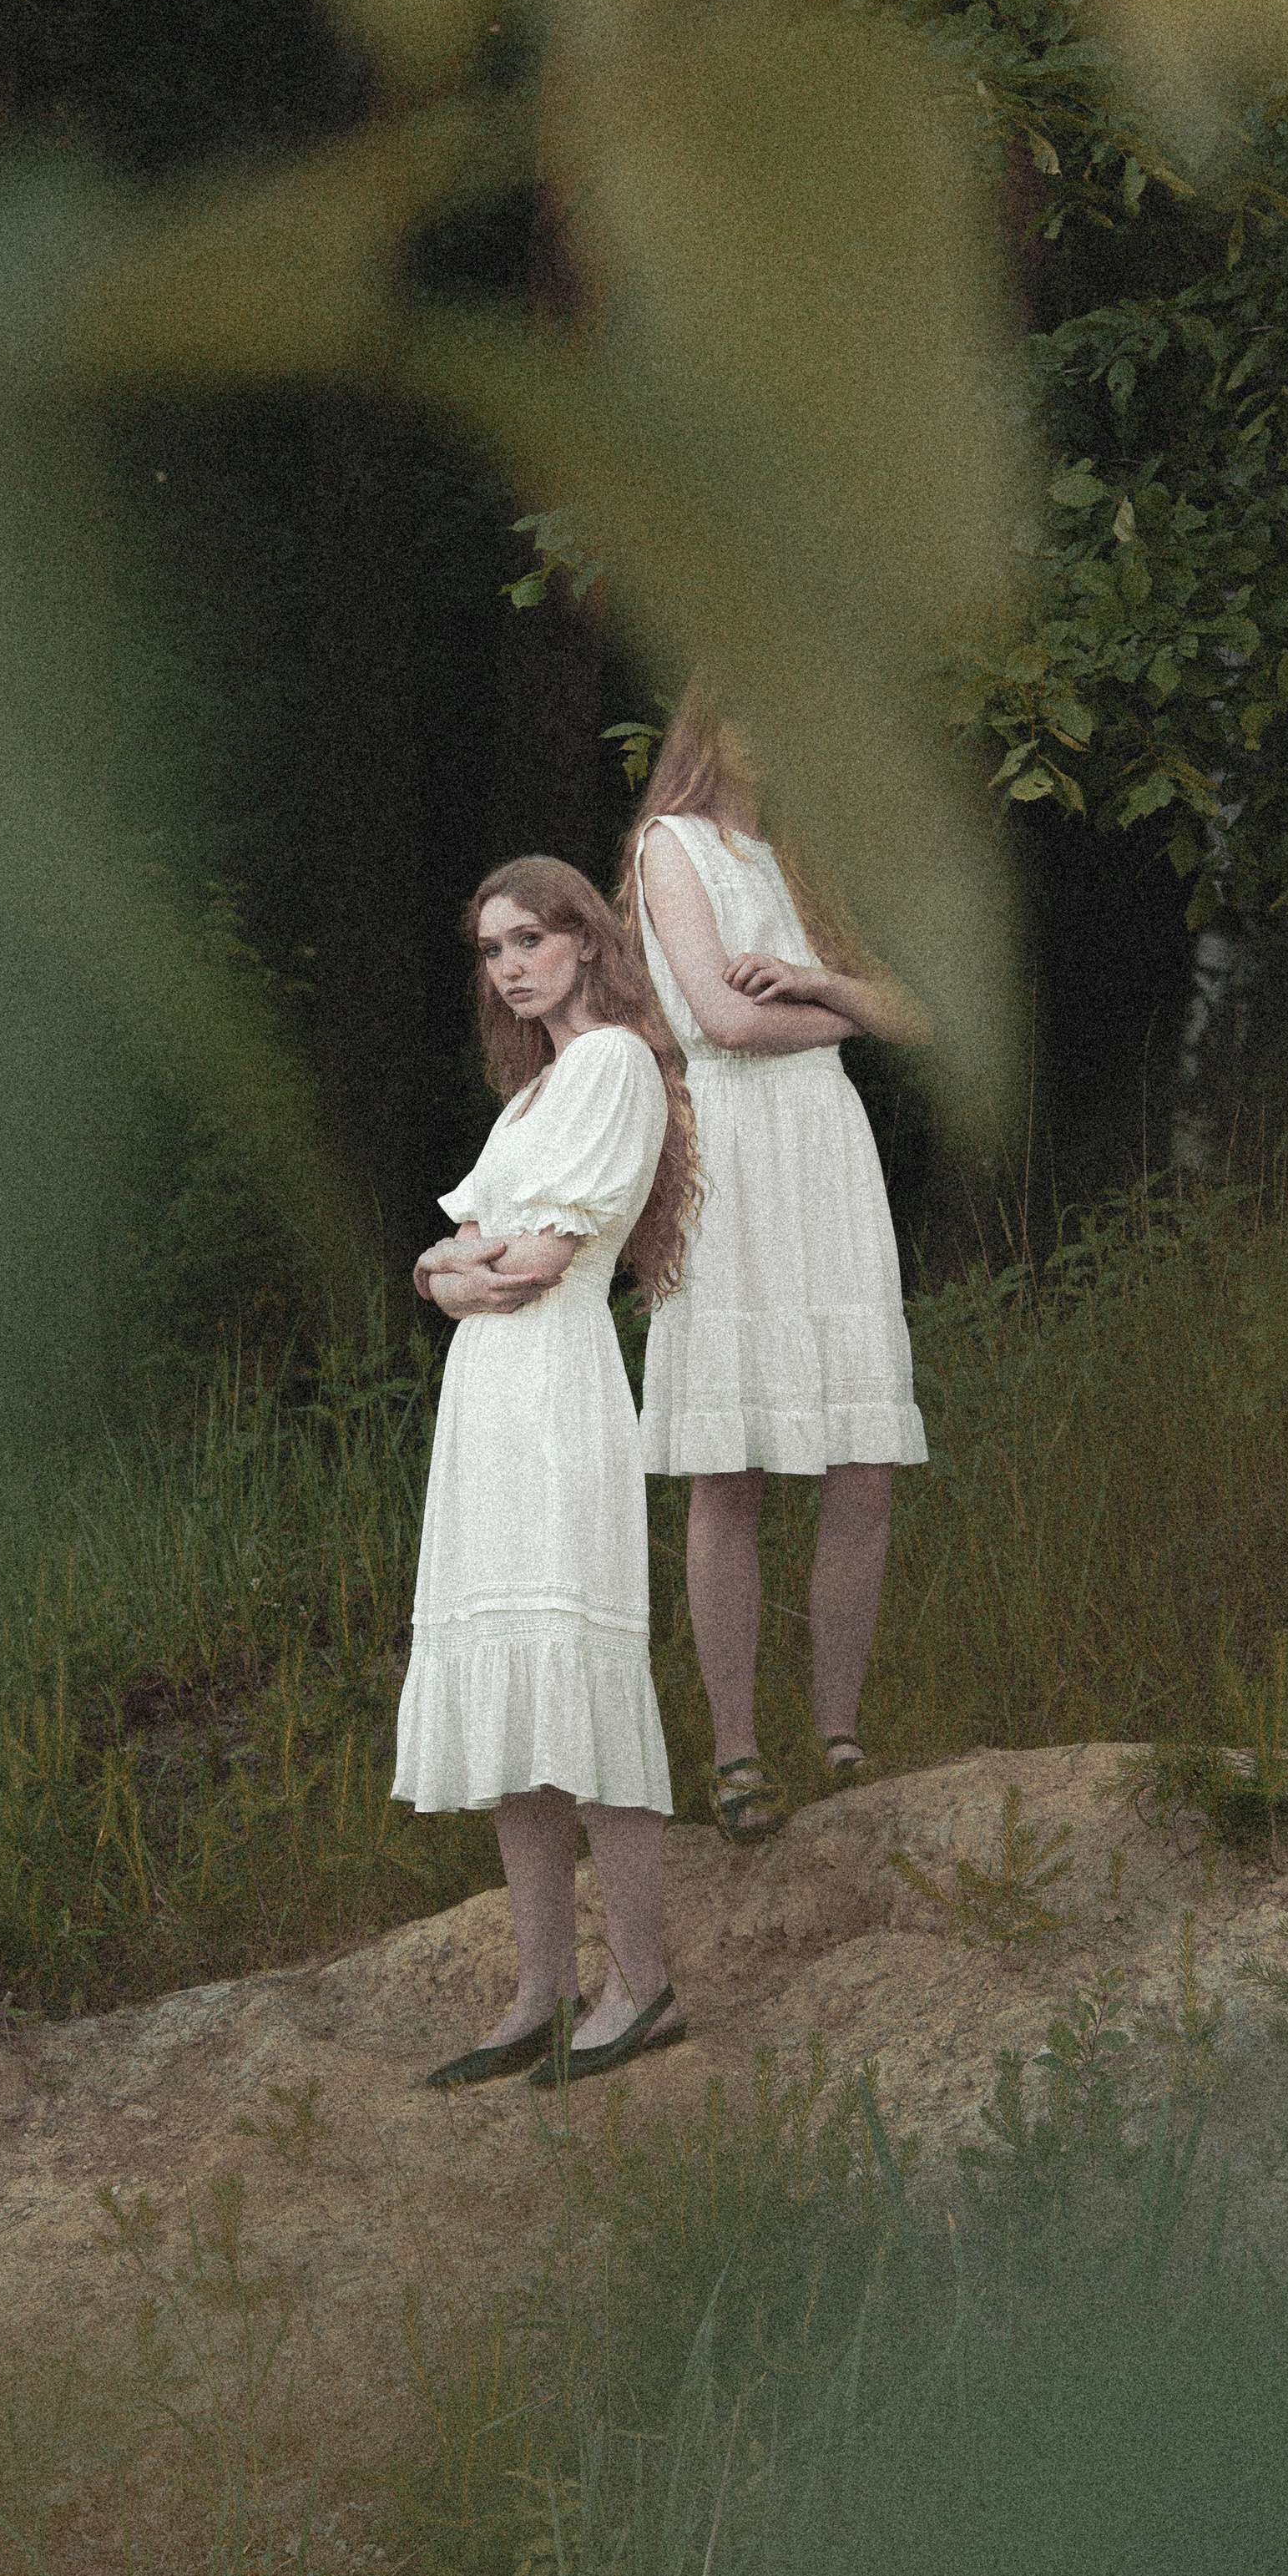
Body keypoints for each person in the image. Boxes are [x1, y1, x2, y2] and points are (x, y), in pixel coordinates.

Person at [396, 855, 704, 2088]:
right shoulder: (527, 1102)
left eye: (530, 938)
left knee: (579, 1680)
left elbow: (526, 1264)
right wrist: (440, 1271)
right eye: (491, 949)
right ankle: (539, 1988)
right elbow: (455, 1254)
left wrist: (453, 1273)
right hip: (488, 1405)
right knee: (514, 1694)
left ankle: (643, 1979)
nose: (511, 965)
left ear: (586, 939)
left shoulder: (616, 1069)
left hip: (559, 1393)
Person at [619, 680, 931, 1840]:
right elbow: (724, 1020)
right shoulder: (671, 846)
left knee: (862, 1457)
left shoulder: (806, 859)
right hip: (738, 1155)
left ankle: (842, 1734)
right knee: (730, 1467)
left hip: (828, 1154)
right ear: (705, 722)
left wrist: (818, 983)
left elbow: (919, 1014)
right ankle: (740, 1755)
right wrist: (855, 1011)